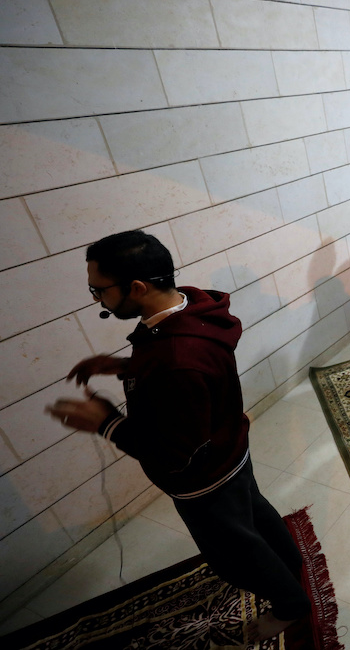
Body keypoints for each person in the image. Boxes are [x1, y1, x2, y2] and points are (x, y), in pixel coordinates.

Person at [46, 230, 310, 643]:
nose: (97, 299)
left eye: (99, 290)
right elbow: (179, 370)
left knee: (236, 550)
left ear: (137, 287)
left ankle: (290, 606)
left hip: (205, 477)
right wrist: (124, 366)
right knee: (254, 514)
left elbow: (173, 454)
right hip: (229, 448)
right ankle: (292, 565)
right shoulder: (191, 309)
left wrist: (107, 423)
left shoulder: (176, 358)